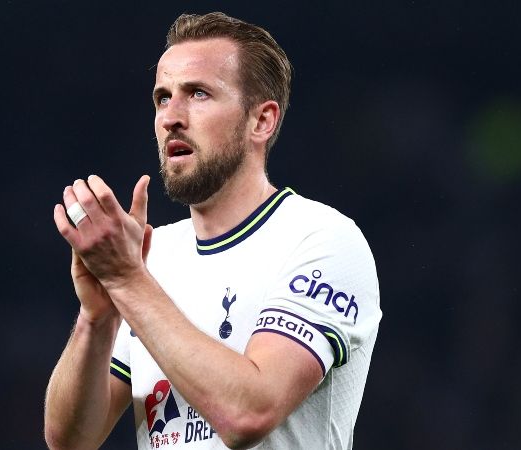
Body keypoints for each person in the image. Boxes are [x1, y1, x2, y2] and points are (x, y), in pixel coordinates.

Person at [45, 11, 381, 450]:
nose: (171, 117)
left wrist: (127, 282)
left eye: (198, 94)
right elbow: (70, 440)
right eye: (162, 98)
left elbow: (248, 413)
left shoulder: (322, 239)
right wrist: (97, 317)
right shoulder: (150, 255)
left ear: (261, 121)